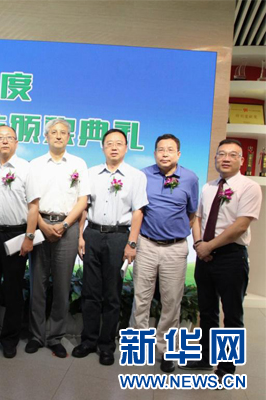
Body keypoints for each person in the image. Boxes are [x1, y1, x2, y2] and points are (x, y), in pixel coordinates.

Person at [182, 139, 261, 383]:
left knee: (232, 314)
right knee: (207, 311)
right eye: (221, 154)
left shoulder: (249, 187)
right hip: (204, 256)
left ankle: (227, 368)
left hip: (231, 257)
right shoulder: (208, 187)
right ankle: (205, 358)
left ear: (242, 160)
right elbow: (197, 218)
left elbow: (240, 226)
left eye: (232, 155)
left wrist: (210, 246)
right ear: (216, 158)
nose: (226, 158)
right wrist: (199, 244)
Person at [73, 128, 147, 365]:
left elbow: (138, 212)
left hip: (118, 237)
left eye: (119, 143)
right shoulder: (91, 173)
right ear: (103, 147)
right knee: (90, 292)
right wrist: (80, 236)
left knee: (112, 294)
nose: (114, 147)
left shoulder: (136, 176)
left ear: (126, 147)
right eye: (109, 143)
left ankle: (106, 345)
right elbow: (84, 207)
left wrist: (131, 243)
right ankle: (88, 341)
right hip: (92, 234)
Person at [131, 134, 198, 373]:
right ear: (154, 153)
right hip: (147, 244)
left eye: (170, 150)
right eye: (160, 149)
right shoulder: (143, 176)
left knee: (171, 301)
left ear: (178, 154)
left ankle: (167, 350)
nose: (165, 154)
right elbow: (137, 211)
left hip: (175, 248)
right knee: (141, 297)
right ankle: (139, 346)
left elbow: (192, 214)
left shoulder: (190, 178)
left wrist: (176, 233)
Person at [26, 118, 89, 358]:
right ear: (46, 136)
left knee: (62, 286)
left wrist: (63, 225)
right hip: (40, 223)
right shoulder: (35, 165)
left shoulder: (78, 163)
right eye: (54, 132)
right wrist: (41, 225)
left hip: (68, 226)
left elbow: (82, 200)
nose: (59, 136)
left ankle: (55, 337)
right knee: (37, 284)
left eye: (63, 132)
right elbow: (30, 200)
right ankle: (36, 335)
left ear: (69, 137)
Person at [0, 125, 39, 359]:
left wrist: (29, 236)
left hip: (16, 235)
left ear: (16, 142)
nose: (4, 141)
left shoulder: (27, 169)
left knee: (13, 290)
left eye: (9, 138)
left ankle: (10, 340)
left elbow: (33, 206)